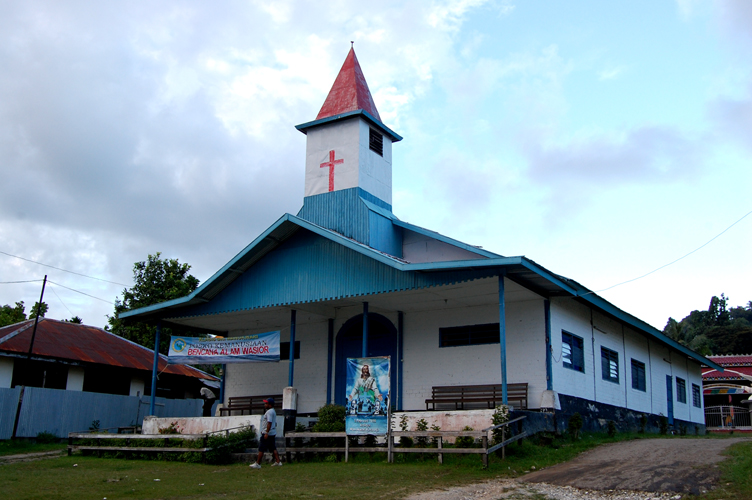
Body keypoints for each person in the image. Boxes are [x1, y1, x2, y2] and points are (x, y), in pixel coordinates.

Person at [249, 398, 282, 468]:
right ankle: (278, 461)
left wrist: (266, 432)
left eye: (266, 403)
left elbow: (269, 423)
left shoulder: (269, 412)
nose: (265, 405)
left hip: (268, 433)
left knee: (261, 447)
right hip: (272, 432)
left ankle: (258, 463)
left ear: (270, 405)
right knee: (273, 447)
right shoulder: (273, 411)